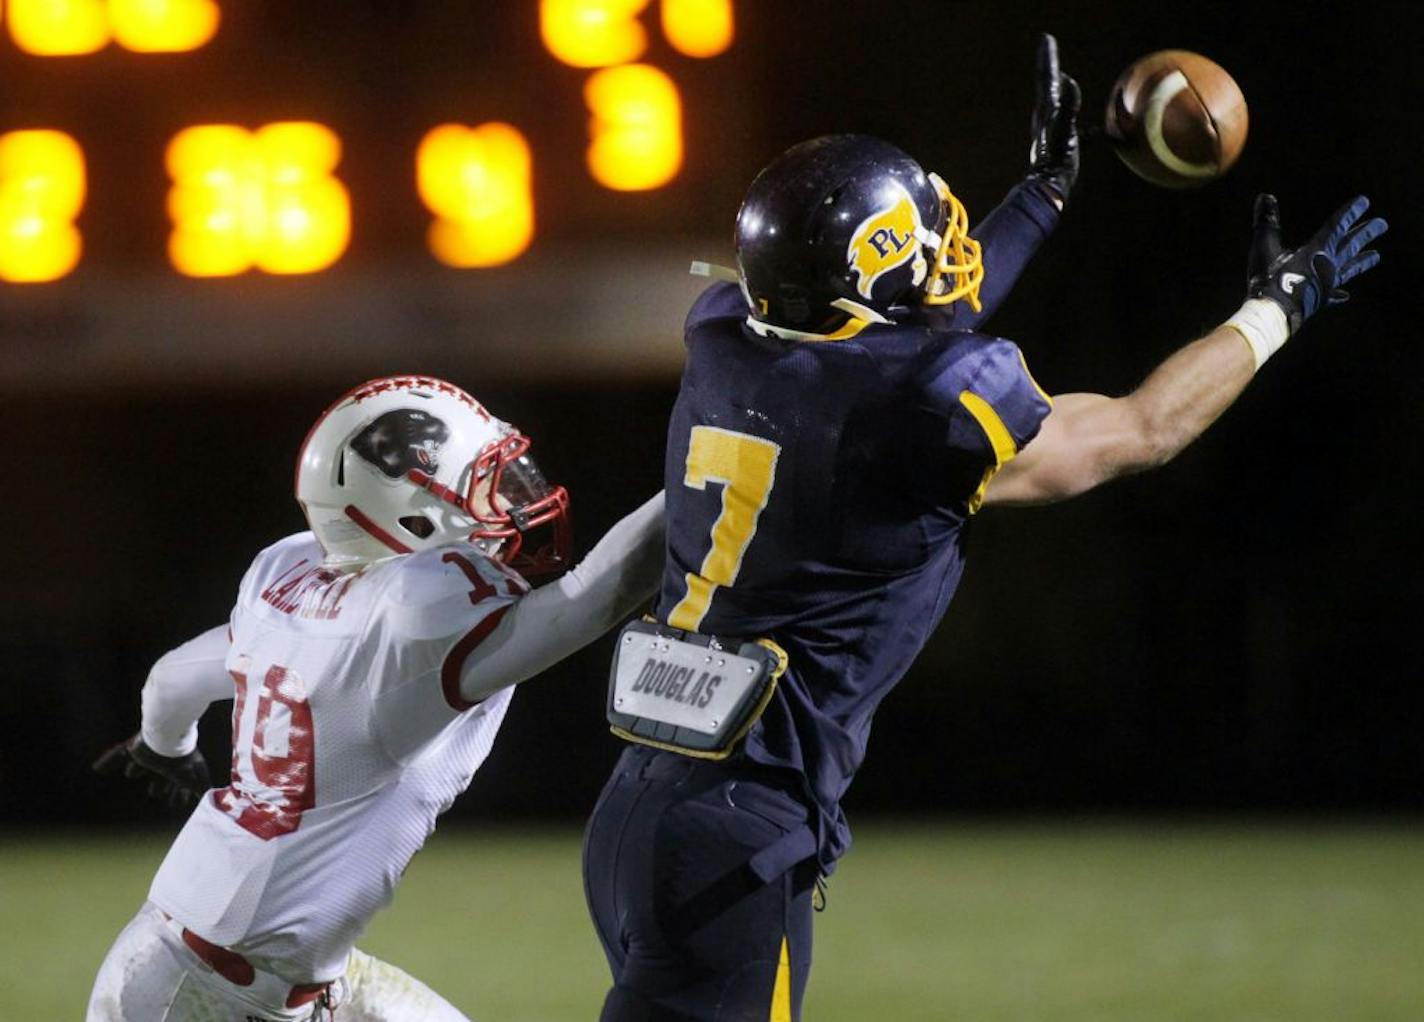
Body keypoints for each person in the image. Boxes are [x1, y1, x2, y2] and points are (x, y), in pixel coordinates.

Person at [581, 34, 1387, 1022]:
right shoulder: (920, 418)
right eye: (923, 245)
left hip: (633, 810)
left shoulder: (727, 336)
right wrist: (1273, 311)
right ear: (865, 285)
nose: (947, 257)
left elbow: (890, 338)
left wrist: (1038, 199)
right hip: (734, 839)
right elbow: (1142, 426)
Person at [89, 374, 664, 1021]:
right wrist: (717, 475)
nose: (509, 501)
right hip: (205, 998)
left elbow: (173, 679)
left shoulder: (296, 580)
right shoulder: (410, 618)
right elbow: (596, 597)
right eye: (480, 487)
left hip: (248, 967)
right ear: (409, 515)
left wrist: (166, 747)